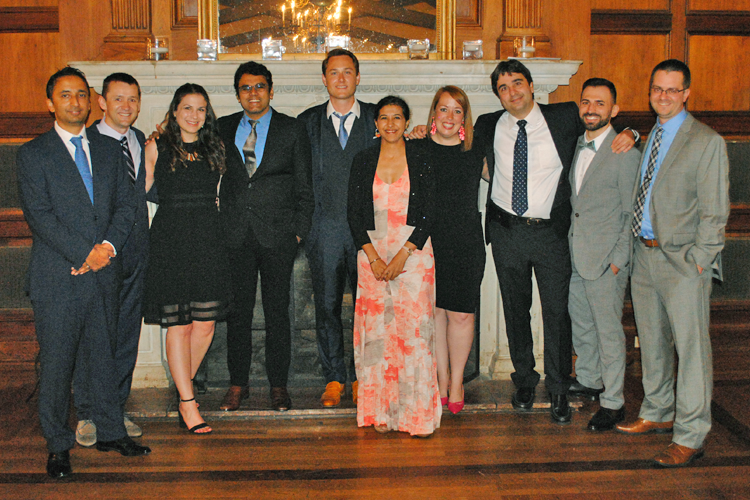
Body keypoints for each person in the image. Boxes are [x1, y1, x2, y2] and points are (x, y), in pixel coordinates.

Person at [474, 60, 636, 424]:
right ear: (497, 94)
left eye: (517, 83)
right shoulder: (486, 124)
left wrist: (633, 132)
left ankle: (559, 386)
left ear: (531, 86)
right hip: (505, 231)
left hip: (551, 234)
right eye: (503, 87)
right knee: (516, 310)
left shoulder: (564, 117)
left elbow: (603, 124)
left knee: (557, 313)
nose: (512, 92)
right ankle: (525, 379)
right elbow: (455, 147)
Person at [17, 67, 149, 479]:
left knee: (104, 357)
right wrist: (84, 254)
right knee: (57, 365)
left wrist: (106, 249)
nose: (75, 102)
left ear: (91, 101)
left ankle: (110, 430)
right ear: (50, 103)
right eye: (65, 95)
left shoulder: (111, 150)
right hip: (59, 276)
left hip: (104, 271)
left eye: (81, 95)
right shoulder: (33, 153)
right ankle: (58, 445)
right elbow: (39, 216)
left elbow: (129, 206)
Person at [616, 60, 729, 467]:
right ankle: (658, 410)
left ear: (686, 94)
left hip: (683, 262)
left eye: (671, 90)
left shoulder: (706, 141)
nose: (662, 96)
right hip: (644, 257)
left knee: (692, 351)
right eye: (656, 89)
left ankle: (691, 434)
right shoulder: (651, 137)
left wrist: (699, 261)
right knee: (652, 342)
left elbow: (716, 213)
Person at [218, 62, 314, 412]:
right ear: (238, 93)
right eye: (245, 88)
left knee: (278, 314)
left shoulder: (292, 129)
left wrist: (298, 232)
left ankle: (278, 386)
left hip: (278, 238)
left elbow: (305, 185)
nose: (253, 93)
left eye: (260, 86)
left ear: (271, 91)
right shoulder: (222, 127)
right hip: (235, 236)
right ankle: (237, 384)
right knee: (238, 314)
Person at [347, 95, 440, 437]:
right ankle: (379, 412)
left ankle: (415, 417)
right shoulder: (363, 159)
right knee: (377, 336)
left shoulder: (421, 156)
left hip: (413, 254)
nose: (390, 124)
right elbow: (353, 213)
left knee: (414, 336)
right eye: (383, 118)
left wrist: (403, 254)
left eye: (397, 117)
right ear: (375, 122)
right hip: (372, 254)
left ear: (406, 121)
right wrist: (373, 257)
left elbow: (430, 208)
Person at [144, 83, 229, 434]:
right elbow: (142, 192)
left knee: (205, 324)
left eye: (201, 109)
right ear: (175, 111)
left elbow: (224, 195)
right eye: (187, 108)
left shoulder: (216, 147)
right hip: (171, 240)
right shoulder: (156, 146)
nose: (194, 115)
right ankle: (189, 403)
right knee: (179, 324)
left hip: (209, 239)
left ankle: (183, 391)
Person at [298, 49, 379, 407]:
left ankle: (365, 375)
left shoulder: (380, 118)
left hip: (370, 235)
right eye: (334, 73)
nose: (342, 79)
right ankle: (334, 377)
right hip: (324, 230)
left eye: (348, 72)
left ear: (358, 77)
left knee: (368, 308)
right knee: (327, 307)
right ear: (324, 79)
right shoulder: (306, 122)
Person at [74, 72, 149, 447]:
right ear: (101, 102)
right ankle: (88, 413)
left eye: (133, 99)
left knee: (125, 337)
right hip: (100, 255)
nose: (126, 106)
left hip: (136, 253)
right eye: (118, 99)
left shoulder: (137, 140)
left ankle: (114, 409)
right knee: (96, 337)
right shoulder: (85, 142)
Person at [566, 78, 640, 431]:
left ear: (614, 109)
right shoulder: (576, 143)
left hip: (607, 260)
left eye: (600, 103)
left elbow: (631, 213)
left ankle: (614, 402)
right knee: (582, 323)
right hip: (577, 254)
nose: (591, 109)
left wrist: (618, 260)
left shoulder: (625, 153)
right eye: (586, 102)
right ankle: (591, 379)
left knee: (609, 331)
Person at [418, 86, 486, 415]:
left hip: (465, 241)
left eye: (457, 110)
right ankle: (440, 377)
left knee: (460, 313)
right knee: (434, 315)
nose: (449, 116)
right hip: (426, 243)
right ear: (433, 114)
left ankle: (457, 381)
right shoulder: (415, 149)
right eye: (443, 109)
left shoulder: (477, 151)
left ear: (464, 118)